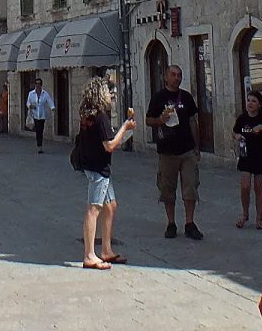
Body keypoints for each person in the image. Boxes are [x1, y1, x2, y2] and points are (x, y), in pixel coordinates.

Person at [75, 76, 137, 270]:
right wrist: (126, 127)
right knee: (93, 210)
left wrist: (122, 133)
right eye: (110, 92)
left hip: (95, 166)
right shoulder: (100, 117)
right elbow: (109, 145)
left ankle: (107, 250)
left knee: (110, 206)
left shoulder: (88, 116)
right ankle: (89, 255)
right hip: (98, 169)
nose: (112, 95)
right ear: (101, 94)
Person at [145, 65, 202, 240]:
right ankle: (171, 223)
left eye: (179, 75)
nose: (176, 78)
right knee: (167, 188)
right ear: (165, 77)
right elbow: (148, 120)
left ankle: (190, 223)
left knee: (190, 186)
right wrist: (159, 120)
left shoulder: (186, 97)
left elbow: (193, 121)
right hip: (167, 151)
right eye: (173, 74)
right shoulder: (158, 98)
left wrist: (197, 146)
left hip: (186, 150)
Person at [232, 89, 262, 229]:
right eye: (248, 100)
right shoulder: (242, 118)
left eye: (253, 101)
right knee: (245, 186)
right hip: (246, 156)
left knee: (258, 188)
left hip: (260, 156)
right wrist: (237, 136)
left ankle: (259, 218)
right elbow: (235, 131)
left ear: (259, 105)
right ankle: (245, 214)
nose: (250, 103)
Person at [26, 78, 54, 154]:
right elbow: (28, 103)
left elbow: (49, 101)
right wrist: (31, 106)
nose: (38, 85)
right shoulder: (31, 94)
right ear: (35, 85)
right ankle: (39, 146)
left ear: (41, 85)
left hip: (42, 115)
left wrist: (52, 108)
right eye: (37, 83)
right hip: (35, 115)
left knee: (40, 130)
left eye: (39, 84)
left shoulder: (45, 93)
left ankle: (40, 145)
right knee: (38, 130)